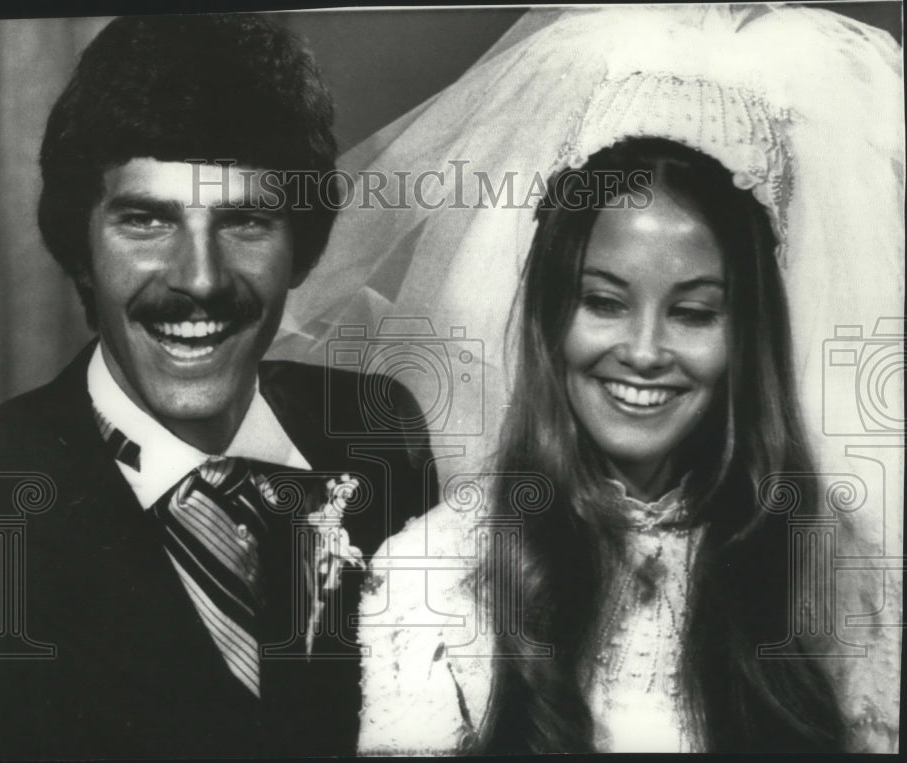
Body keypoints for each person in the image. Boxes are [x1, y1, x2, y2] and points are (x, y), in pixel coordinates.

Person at [264, 4, 904, 755]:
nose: (643, 350)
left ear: (748, 335)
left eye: (694, 312)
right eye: (604, 301)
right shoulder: (438, 580)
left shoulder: (843, 578)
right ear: (550, 313)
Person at [0, 14, 437, 759]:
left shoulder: (375, 428)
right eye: (147, 220)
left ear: (302, 245)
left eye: (245, 220)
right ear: (81, 250)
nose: (200, 278)